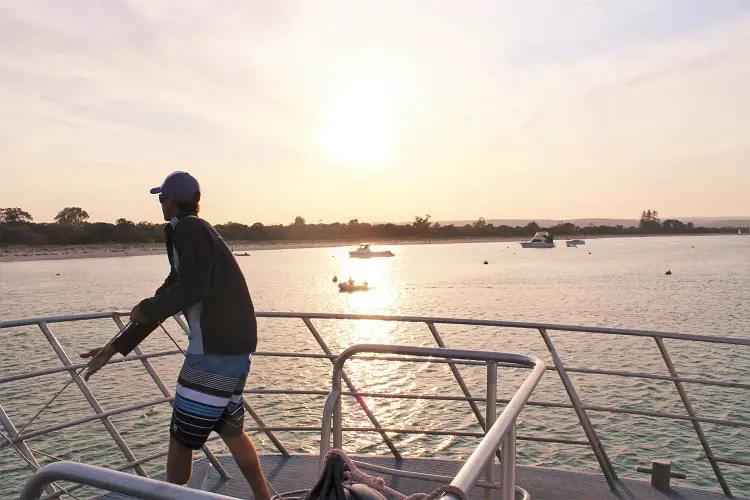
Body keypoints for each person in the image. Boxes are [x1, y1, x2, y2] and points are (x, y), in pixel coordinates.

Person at [79, 171, 270, 499]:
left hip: (212, 353)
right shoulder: (201, 232)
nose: (160, 205)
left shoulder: (188, 230)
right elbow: (173, 290)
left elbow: (191, 288)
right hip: (233, 350)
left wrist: (148, 308)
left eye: (161, 198)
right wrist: (113, 347)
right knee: (231, 429)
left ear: (170, 200)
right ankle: (263, 497)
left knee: (180, 438)